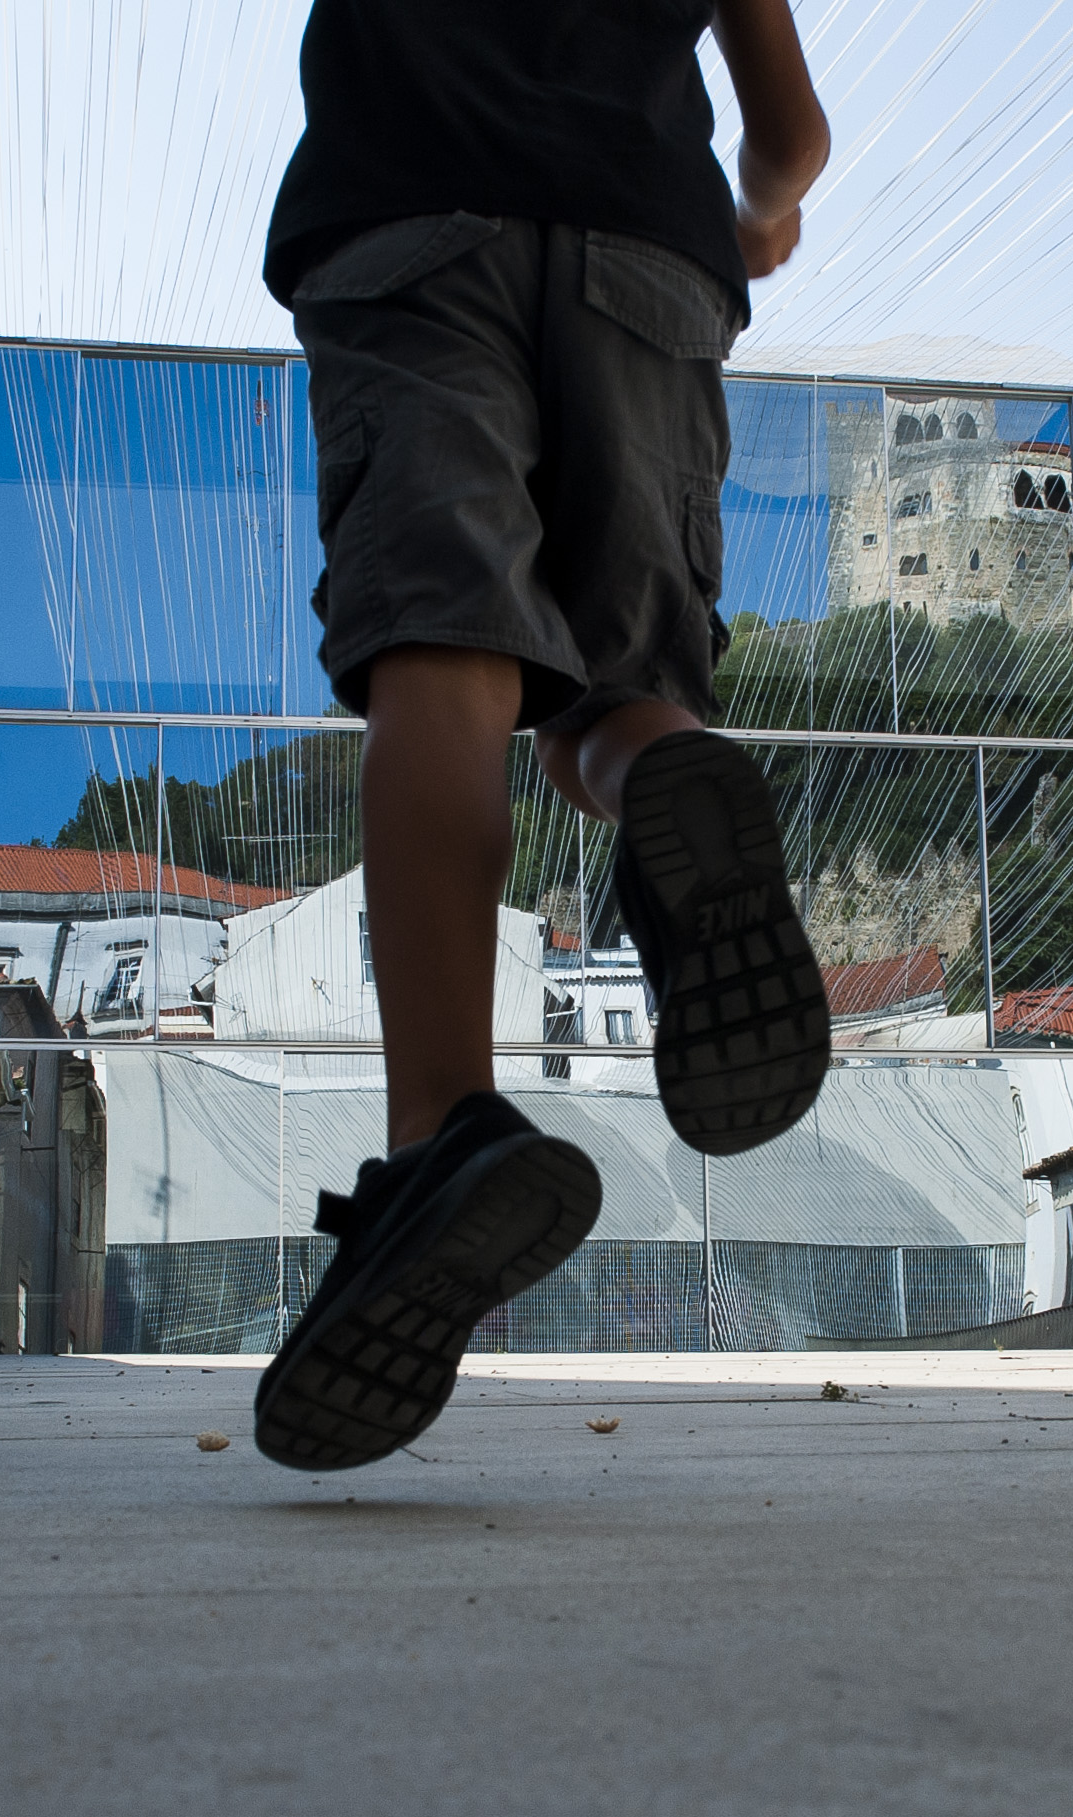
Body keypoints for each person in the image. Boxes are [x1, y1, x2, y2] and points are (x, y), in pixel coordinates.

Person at [250, 1, 833, 1472]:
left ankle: (446, 1128)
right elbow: (791, 131)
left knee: (444, 661)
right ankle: (659, 771)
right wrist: (758, 219)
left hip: (410, 217)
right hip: (649, 252)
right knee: (617, 691)